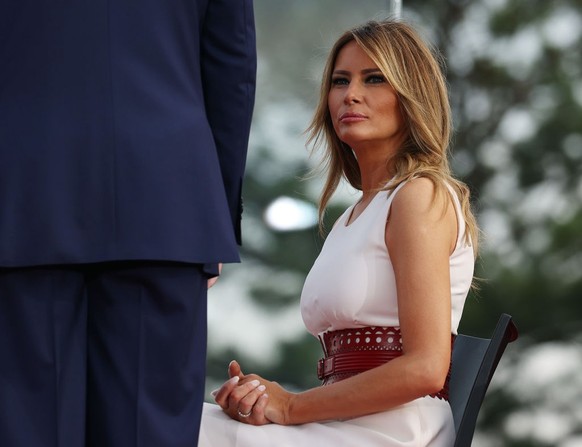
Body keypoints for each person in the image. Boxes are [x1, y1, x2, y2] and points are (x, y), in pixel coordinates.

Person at [198, 19, 478, 446]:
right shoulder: (353, 218)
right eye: (340, 81)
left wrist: (290, 407)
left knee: (169, 426)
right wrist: (262, 400)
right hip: (341, 422)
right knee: (168, 419)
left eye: (375, 79)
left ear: (411, 95)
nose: (351, 94)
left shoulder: (419, 196)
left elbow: (425, 368)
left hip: (395, 431)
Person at [0, 1, 256, 446]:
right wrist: (211, 214)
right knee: (147, 430)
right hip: (167, 201)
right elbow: (231, 67)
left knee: (26, 424)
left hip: (22, 196)